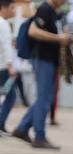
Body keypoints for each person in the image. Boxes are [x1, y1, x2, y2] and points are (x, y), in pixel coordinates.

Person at [11, 0, 70, 149]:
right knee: (43, 98)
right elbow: (33, 31)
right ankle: (39, 136)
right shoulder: (45, 9)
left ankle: (22, 128)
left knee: (46, 98)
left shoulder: (59, 13)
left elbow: (63, 30)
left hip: (52, 60)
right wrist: (58, 38)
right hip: (43, 58)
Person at [0, 0, 16, 136]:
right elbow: (5, 46)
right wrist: (10, 65)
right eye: (12, 8)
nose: (14, 10)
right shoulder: (3, 23)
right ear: (3, 8)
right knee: (10, 97)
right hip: (3, 67)